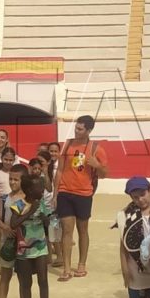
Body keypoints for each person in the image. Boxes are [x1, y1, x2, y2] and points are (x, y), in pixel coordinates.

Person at [53, 115, 108, 280]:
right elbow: (60, 170)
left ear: (89, 130)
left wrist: (97, 165)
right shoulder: (67, 145)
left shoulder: (96, 149)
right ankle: (67, 268)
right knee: (66, 230)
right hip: (65, 192)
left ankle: (81, 264)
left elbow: (105, 174)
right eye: (76, 127)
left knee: (82, 230)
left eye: (80, 129)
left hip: (84, 193)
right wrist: (55, 193)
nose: (76, 131)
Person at [10, 174, 55, 298]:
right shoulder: (20, 204)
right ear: (29, 190)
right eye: (39, 188)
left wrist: (45, 219)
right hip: (23, 249)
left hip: (40, 247)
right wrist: (30, 213)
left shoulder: (41, 203)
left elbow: (48, 222)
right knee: (26, 284)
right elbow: (13, 223)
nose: (42, 190)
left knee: (43, 281)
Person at [0, 163, 26, 298]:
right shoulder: (5, 198)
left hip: (24, 243)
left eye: (16, 179)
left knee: (24, 279)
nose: (12, 182)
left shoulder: (28, 199)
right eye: (11, 179)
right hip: (7, 242)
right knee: (5, 276)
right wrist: (6, 228)